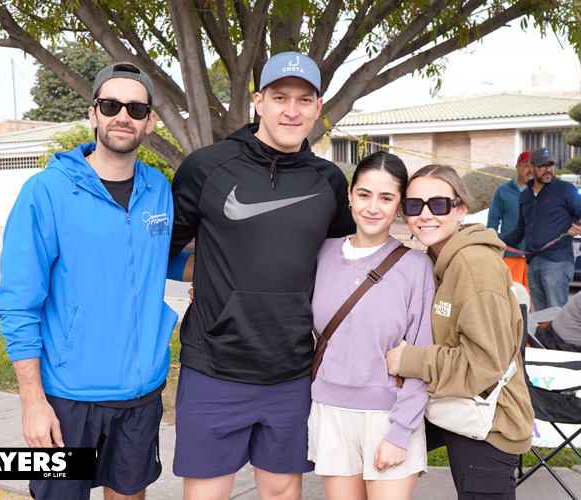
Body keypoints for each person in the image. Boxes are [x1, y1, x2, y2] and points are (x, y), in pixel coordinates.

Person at [0, 62, 192, 500]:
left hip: (141, 394)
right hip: (68, 398)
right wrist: (33, 402)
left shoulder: (158, 187)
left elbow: (162, 259)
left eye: (136, 108)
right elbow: (18, 303)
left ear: (150, 121)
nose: (123, 115)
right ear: (93, 113)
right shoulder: (46, 191)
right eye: (111, 104)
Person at [168, 51, 355, 500]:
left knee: (280, 493)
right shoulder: (206, 167)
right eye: (280, 97)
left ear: (318, 107)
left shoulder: (329, 180)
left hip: (291, 371)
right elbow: (160, 252)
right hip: (215, 366)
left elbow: (343, 260)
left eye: (304, 100)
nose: (292, 110)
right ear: (258, 101)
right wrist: (211, 277)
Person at [385, 164, 535, 500]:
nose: (425, 215)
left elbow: (485, 362)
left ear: (461, 209)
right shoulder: (440, 259)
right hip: (455, 409)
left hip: (488, 426)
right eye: (413, 205)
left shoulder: (472, 265)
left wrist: (410, 360)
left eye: (438, 204)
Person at [308, 151, 435, 500]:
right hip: (330, 411)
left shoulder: (416, 267)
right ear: (349, 196)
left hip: (389, 415)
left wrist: (401, 431)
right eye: (364, 195)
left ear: (399, 206)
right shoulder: (321, 253)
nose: (373, 207)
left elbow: (422, 355)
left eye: (386, 198)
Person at [502, 147, 581, 310]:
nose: (548, 169)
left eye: (551, 165)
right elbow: (520, 229)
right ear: (531, 167)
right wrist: (497, 242)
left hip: (557, 262)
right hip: (532, 262)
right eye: (543, 165)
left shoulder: (565, 189)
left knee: (557, 313)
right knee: (541, 315)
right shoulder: (525, 196)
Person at [486, 151, 533, 290]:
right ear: (517, 167)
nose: (530, 170)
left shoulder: (541, 192)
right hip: (512, 254)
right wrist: (492, 248)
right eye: (526, 165)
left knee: (535, 300)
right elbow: (493, 222)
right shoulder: (503, 191)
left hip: (536, 256)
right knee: (513, 295)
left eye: (533, 166)